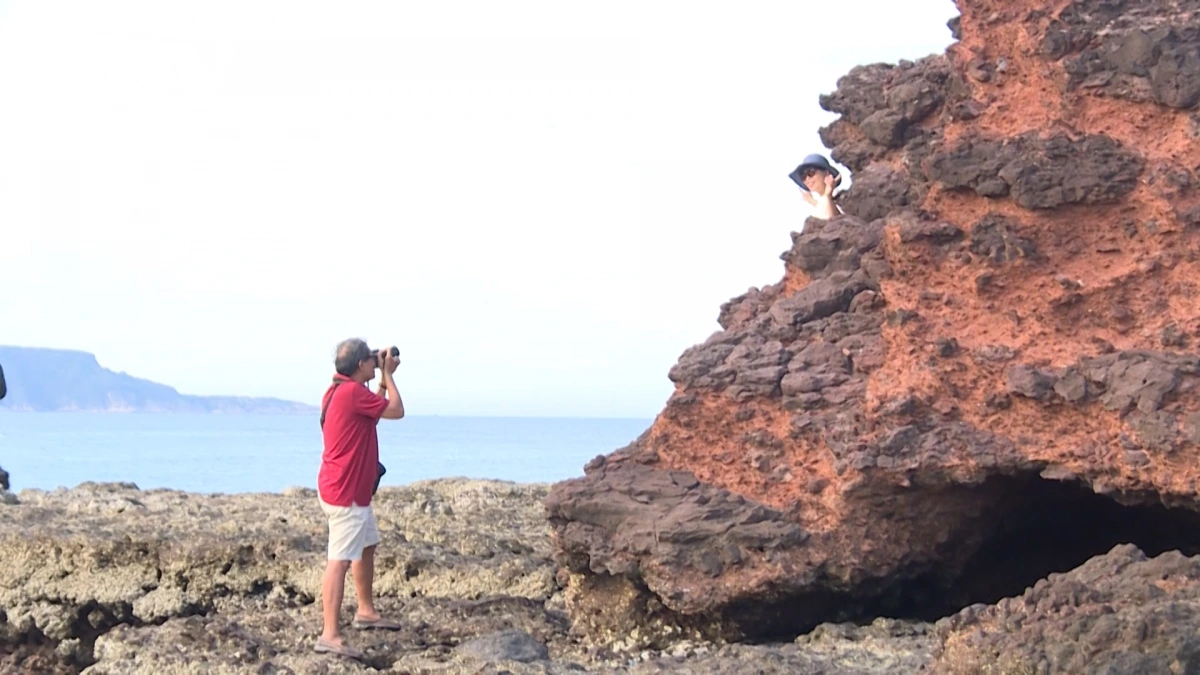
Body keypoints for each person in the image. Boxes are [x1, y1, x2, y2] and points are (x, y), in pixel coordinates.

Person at [313, 338, 405, 660]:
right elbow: (396, 410)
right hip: (347, 494)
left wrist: (379, 381)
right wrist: (389, 375)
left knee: (367, 545)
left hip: (344, 488)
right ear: (359, 365)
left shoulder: (339, 390)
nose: (374, 361)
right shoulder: (351, 392)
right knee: (338, 561)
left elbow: (372, 413)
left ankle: (365, 611)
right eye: (370, 359)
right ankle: (329, 635)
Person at [789, 153, 844, 221]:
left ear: (826, 173)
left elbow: (839, 222)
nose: (807, 179)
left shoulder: (841, 198)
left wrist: (828, 195)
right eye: (803, 177)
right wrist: (811, 200)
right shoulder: (821, 203)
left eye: (811, 173)